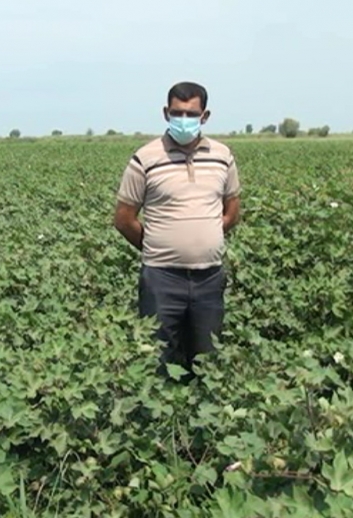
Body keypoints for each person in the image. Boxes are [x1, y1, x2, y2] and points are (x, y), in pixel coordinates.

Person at [113, 81, 241, 382]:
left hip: (209, 277)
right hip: (161, 278)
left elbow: (232, 210)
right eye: (177, 113)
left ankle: (201, 409)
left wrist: (208, 235)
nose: (184, 119)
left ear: (205, 116)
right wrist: (157, 246)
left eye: (191, 114)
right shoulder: (145, 158)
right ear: (165, 113)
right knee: (157, 361)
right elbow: (124, 219)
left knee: (208, 360)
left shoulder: (222, 156)